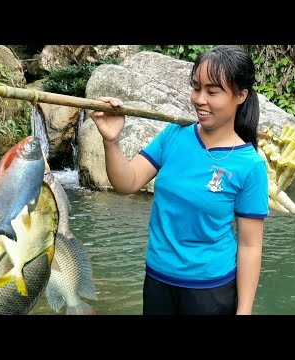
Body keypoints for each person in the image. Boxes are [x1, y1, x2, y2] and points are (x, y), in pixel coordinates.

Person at [89, 45, 269, 315]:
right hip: (158, 280)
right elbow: (127, 184)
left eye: (212, 91)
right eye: (196, 88)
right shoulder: (175, 134)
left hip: (211, 290)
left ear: (241, 96)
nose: (199, 99)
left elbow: (250, 245)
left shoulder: (250, 165)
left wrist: (244, 311)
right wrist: (111, 140)